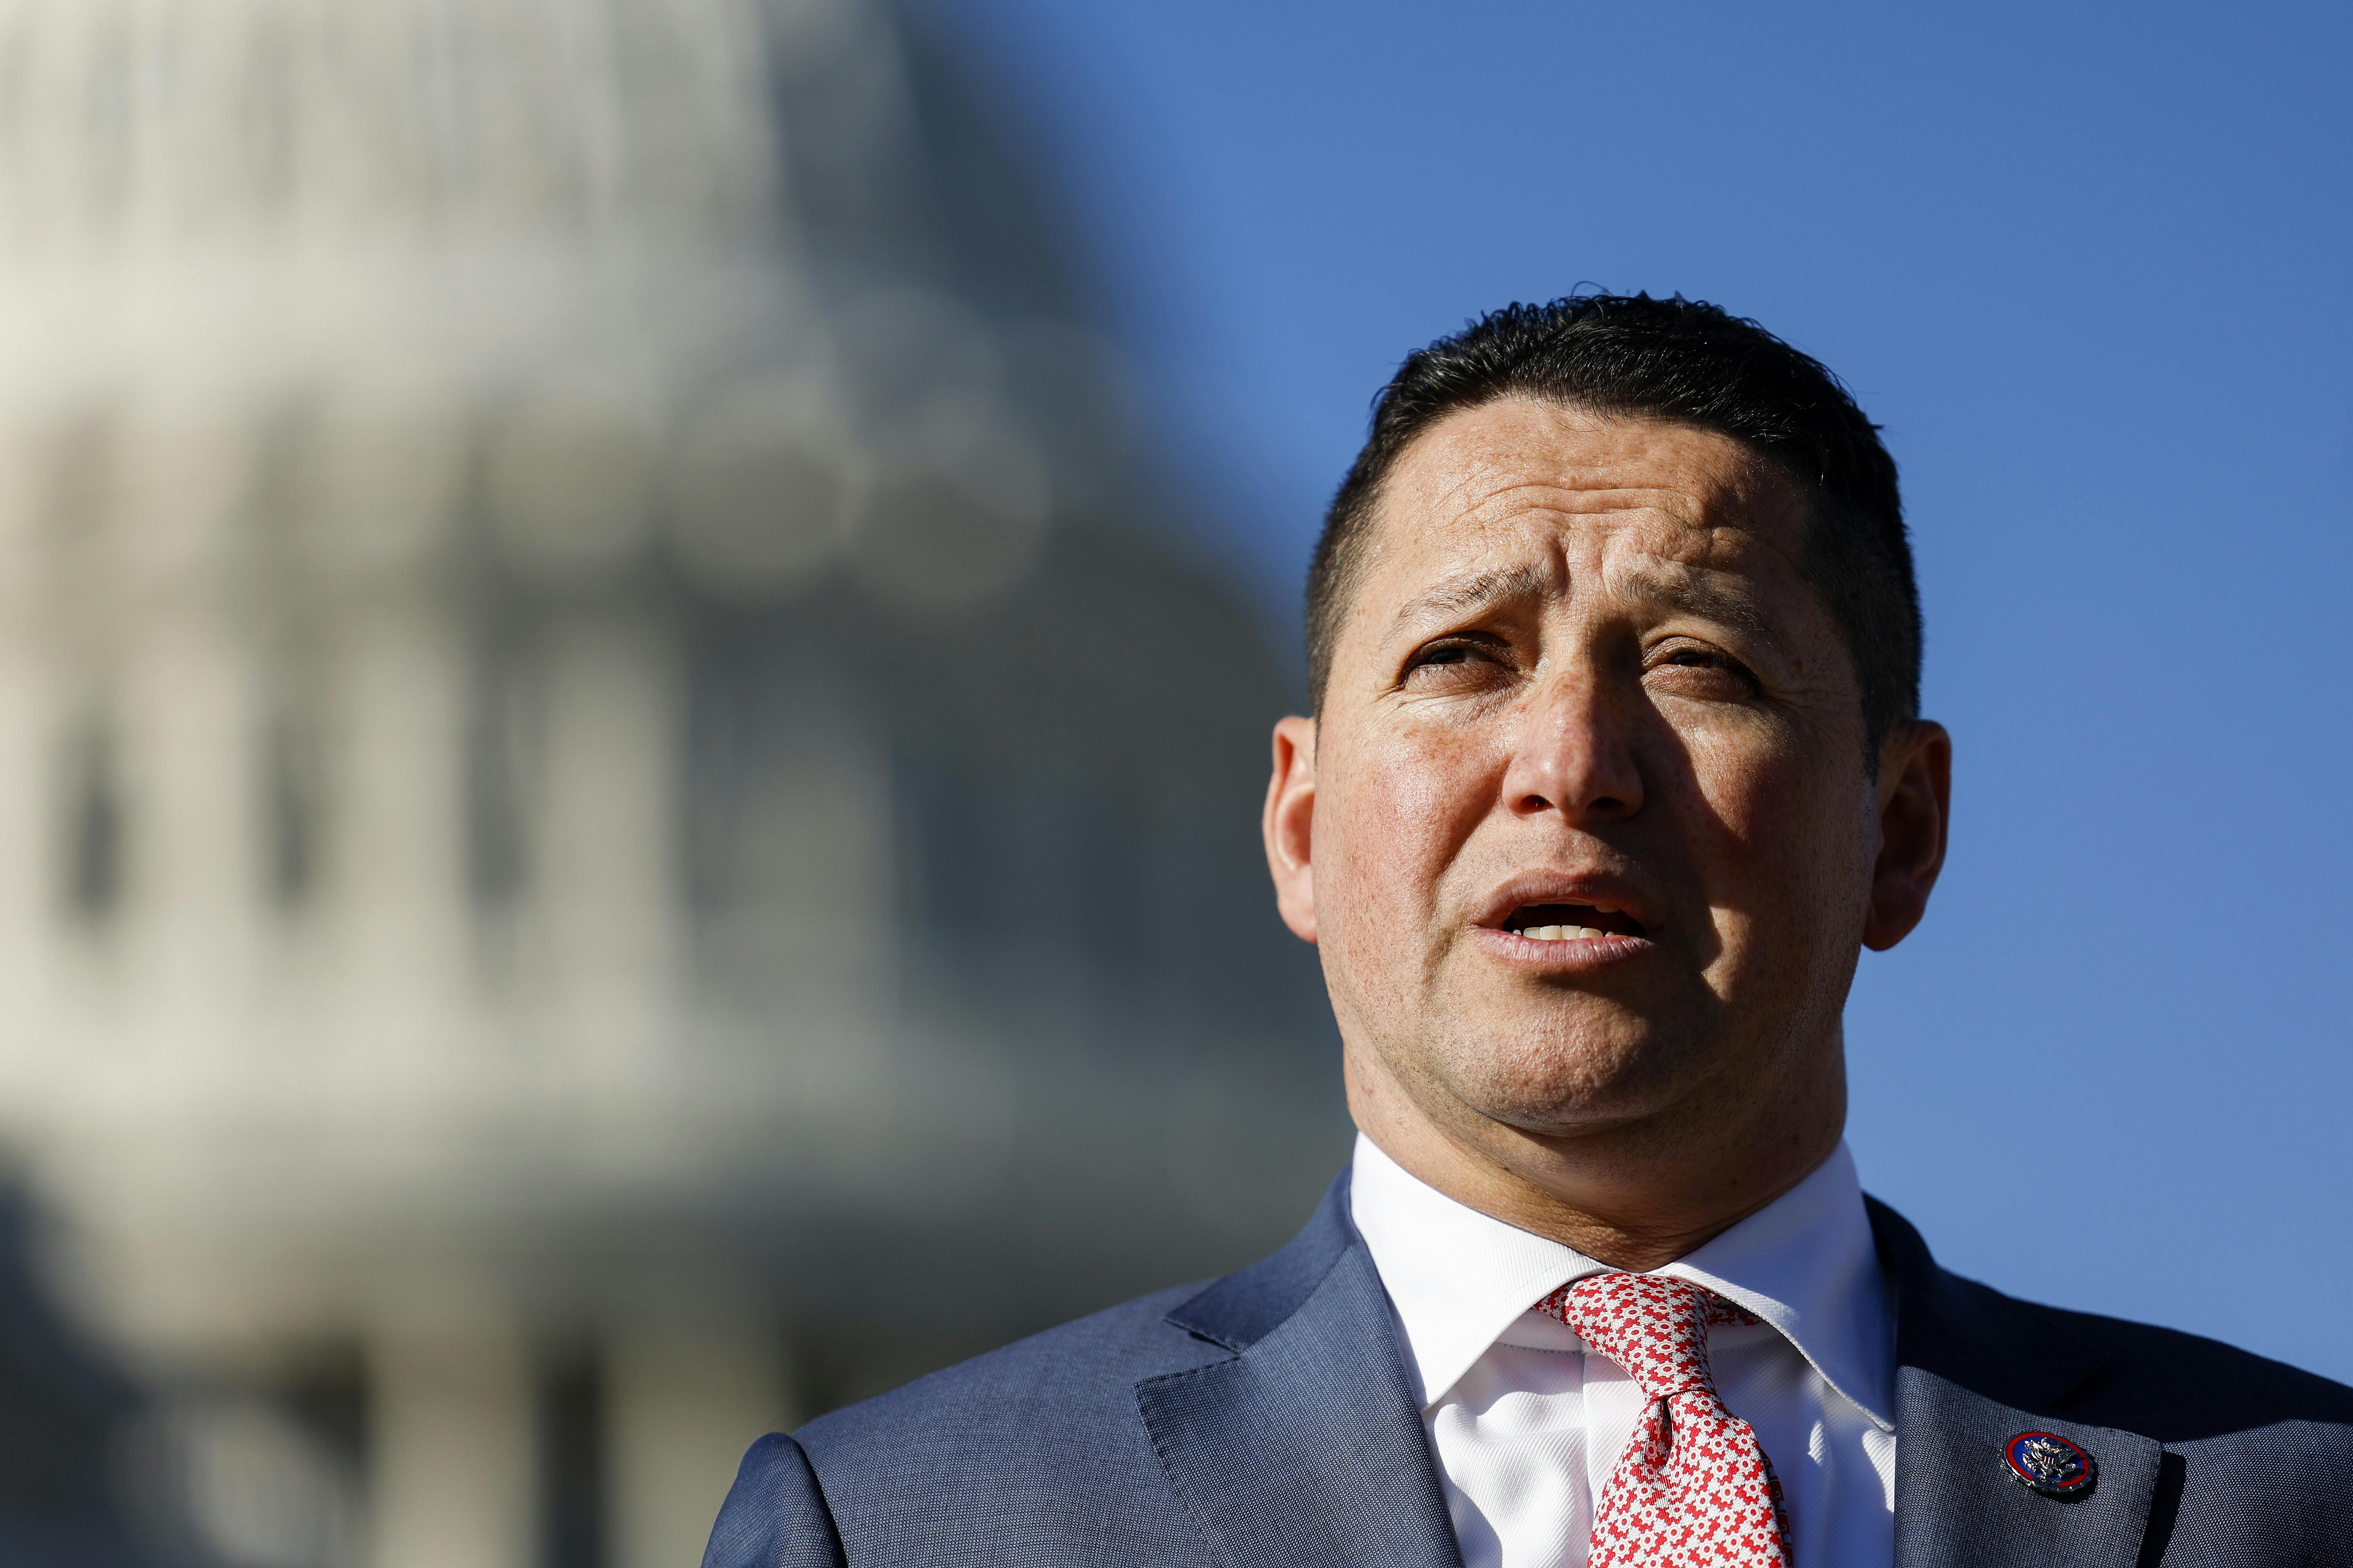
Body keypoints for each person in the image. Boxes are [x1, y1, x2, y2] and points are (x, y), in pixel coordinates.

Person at [701, 294, 2353, 1567]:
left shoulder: (2283, 1501)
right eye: (1460, 661)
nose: (1571, 766)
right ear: (1298, 823)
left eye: (1703, 664)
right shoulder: (915, 1529)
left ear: (1901, 833)